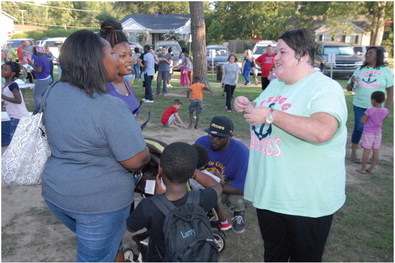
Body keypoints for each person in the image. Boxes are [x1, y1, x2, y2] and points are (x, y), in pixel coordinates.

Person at [234, 28, 348, 261]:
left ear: (303, 54)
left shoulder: (325, 88)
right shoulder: (277, 84)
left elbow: (322, 130)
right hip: (271, 195)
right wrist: (249, 104)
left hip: (305, 201)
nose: (274, 57)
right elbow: (266, 107)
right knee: (274, 255)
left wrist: (271, 115)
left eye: (281, 52)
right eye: (275, 52)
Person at [41, 30, 151, 262]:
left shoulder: (55, 91)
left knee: (109, 246)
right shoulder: (110, 106)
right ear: (95, 61)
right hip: (97, 204)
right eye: (112, 53)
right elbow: (135, 160)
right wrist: (147, 150)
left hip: (56, 193)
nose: (117, 58)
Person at [126, 142, 222, 262]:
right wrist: (195, 173)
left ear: (160, 169)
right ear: (192, 172)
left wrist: (157, 198)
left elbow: (130, 227)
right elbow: (217, 187)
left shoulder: (148, 206)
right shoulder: (201, 198)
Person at [195, 116, 249, 233]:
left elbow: (244, 188)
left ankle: (239, 212)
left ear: (230, 136)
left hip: (228, 182)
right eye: (212, 135)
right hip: (205, 179)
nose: (214, 139)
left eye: (220, 137)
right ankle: (209, 213)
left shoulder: (242, 153)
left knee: (236, 198)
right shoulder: (201, 143)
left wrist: (216, 186)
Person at [346, 46, 393, 163]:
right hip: (359, 105)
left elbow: (391, 90)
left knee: (375, 130)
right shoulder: (360, 70)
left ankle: (373, 154)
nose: (367, 55)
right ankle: (353, 153)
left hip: (377, 108)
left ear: (378, 56)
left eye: (370, 53)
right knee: (359, 128)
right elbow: (348, 88)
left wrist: (387, 108)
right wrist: (351, 83)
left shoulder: (385, 71)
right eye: (367, 53)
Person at [99, 18, 141, 116]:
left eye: (130, 54)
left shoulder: (126, 83)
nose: (130, 60)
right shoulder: (100, 89)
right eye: (122, 56)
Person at [189, 143, 232, 231]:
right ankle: (224, 222)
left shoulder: (186, 174)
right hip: (206, 200)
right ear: (205, 162)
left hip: (192, 200)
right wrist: (217, 174)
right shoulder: (207, 175)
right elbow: (221, 183)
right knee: (215, 202)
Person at [356, 91, 389, 174]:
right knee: (376, 150)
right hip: (378, 133)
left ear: (373, 100)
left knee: (366, 150)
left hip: (368, 133)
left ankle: (363, 168)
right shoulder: (385, 110)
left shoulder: (370, 110)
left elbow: (363, 120)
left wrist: (366, 116)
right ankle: (371, 168)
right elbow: (385, 118)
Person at [1, 61, 29, 139]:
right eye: (2, 69)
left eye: (5, 70)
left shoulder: (13, 85)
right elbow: (8, 99)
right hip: (14, 116)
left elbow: (18, 100)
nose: (2, 71)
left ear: (12, 73)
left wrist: (3, 96)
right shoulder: (5, 85)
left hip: (19, 117)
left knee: (15, 140)